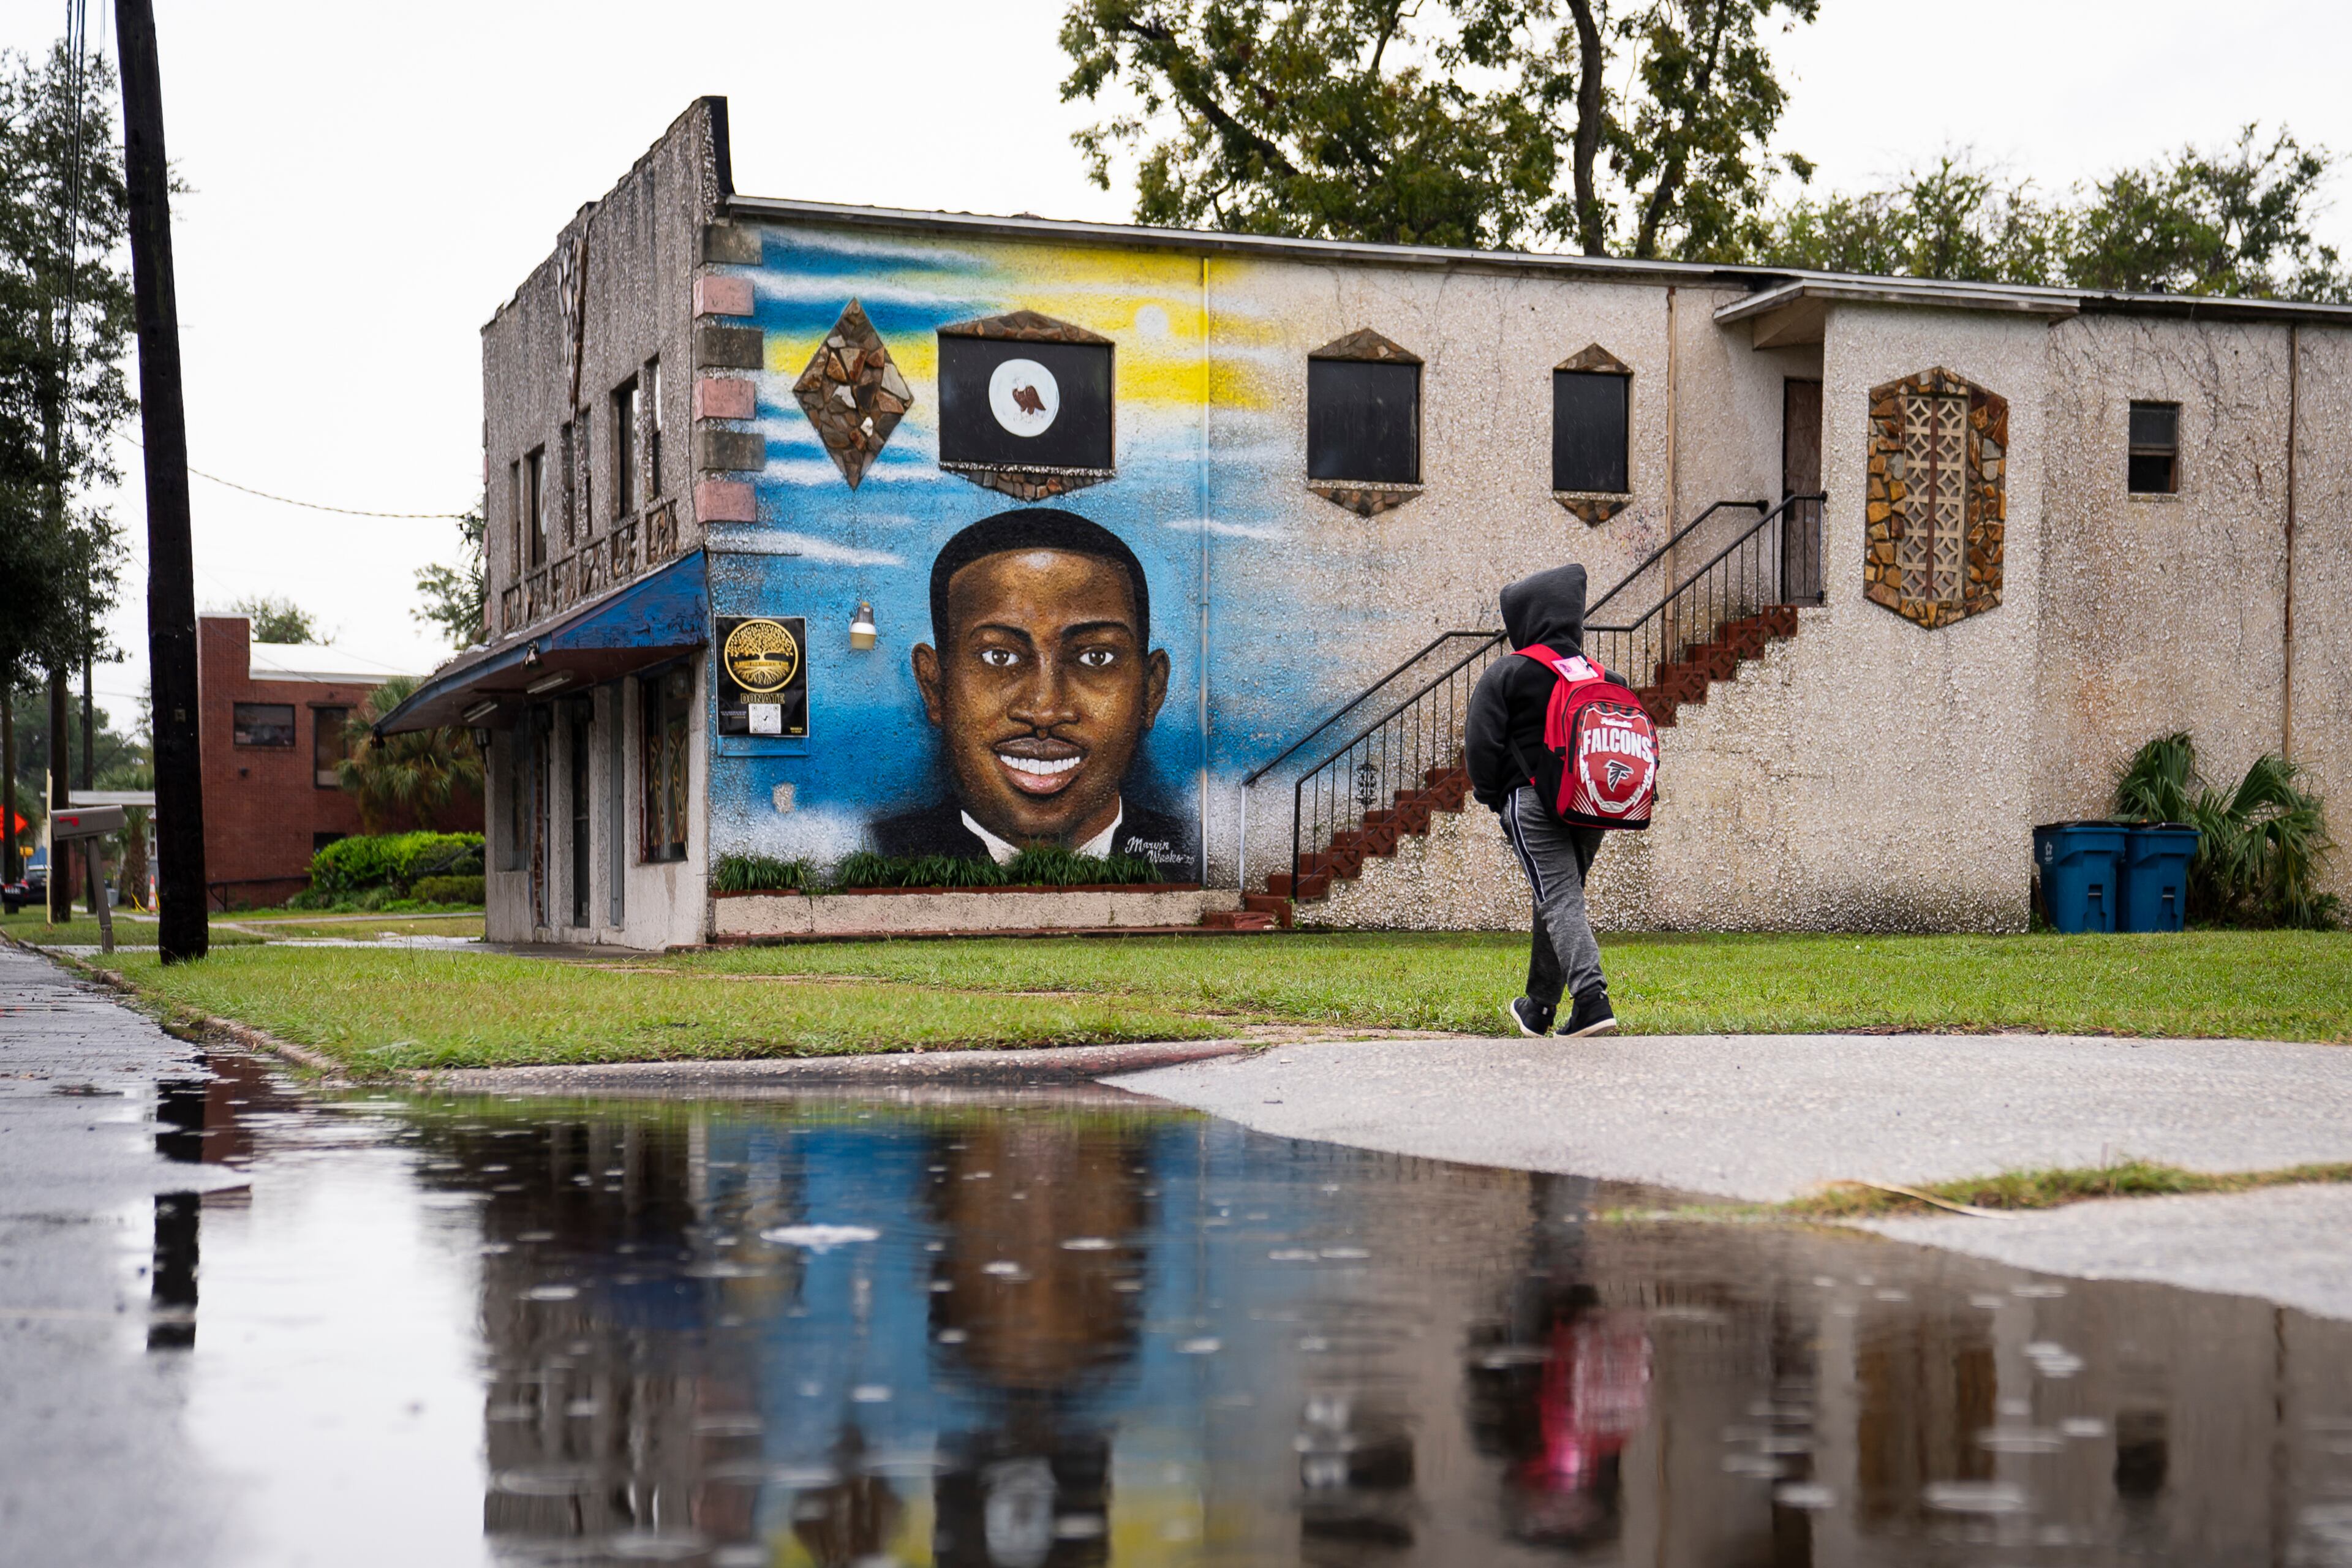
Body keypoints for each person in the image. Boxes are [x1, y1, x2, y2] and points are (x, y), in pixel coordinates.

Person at [874, 508, 1193, 873]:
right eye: (999, 656)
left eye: (1096, 657)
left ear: (1151, 691)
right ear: (935, 686)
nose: (1045, 710)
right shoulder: (881, 853)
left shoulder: (1189, 852)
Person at [1465, 563, 1619, 1038]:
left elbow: (1480, 745)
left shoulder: (1508, 672)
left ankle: (1592, 999)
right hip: (1592, 805)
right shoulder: (1604, 676)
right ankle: (1539, 1008)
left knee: (1558, 900)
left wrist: (1496, 799)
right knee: (1558, 898)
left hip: (1532, 803)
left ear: (1526, 619)